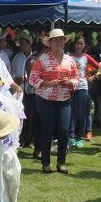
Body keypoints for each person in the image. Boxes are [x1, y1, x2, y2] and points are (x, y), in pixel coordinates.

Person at [28, 28, 79, 174]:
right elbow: (32, 79)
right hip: (45, 99)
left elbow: (77, 79)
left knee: (63, 131)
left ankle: (61, 162)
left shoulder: (70, 60)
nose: (58, 42)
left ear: (65, 42)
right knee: (47, 131)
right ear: (49, 43)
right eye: (55, 40)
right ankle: (46, 163)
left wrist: (69, 82)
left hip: (64, 99)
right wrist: (47, 83)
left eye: (61, 39)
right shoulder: (42, 59)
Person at [11, 32, 36, 148]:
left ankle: (31, 139)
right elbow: (12, 73)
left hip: (32, 90)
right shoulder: (17, 57)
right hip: (20, 89)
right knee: (21, 114)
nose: (21, 46)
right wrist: (17, 78)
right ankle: (22, 139)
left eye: (23, 43)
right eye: (20, 44)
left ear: (29, 44)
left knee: (31, 116)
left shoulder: (35, 57)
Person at [68, 36, 91, 148]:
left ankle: (79, 137)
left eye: (81, 44)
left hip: (82, 87)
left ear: (84, 46)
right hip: (71, 87)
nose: (79, 46)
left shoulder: (86, 57)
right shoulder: (69, 57)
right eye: (77, 43)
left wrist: (90, 76)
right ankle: (71, 136)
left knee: (81, 113)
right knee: (71, 112)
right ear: (74, 44)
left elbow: (99, 66)